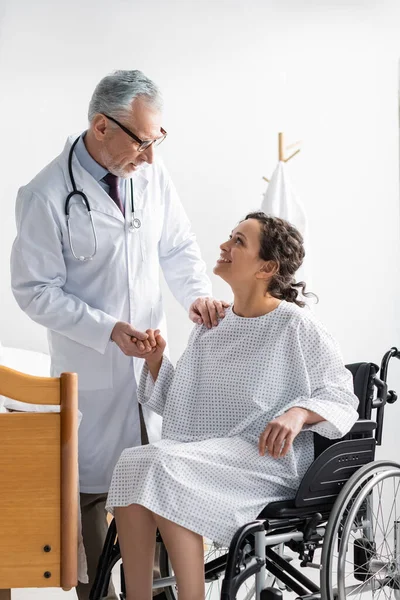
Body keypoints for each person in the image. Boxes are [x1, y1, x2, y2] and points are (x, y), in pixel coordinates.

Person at [10, 70, 228, 600]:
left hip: (150, 364)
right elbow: (34, 290)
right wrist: (109, 331)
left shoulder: (150, 173)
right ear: (101, 126)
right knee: (91, 498)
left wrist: (196, 294)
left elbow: (177, 248)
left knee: (156, 482)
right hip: (94, 370)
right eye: (142, 143)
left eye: (158, 141)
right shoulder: (44, 194)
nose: (151, 157)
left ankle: (156, 591)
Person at [106, 211, 359, 600]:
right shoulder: (213, 326)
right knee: (133, 460)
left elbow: (342, 395)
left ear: (267, 267)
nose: (225, 246)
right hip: (208, 452)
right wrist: (156, 360)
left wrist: (297, 413)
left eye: (239, 241)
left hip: (266, 459)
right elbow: (182, 403)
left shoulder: (296, 326)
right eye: (230, 237)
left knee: (163, 464)